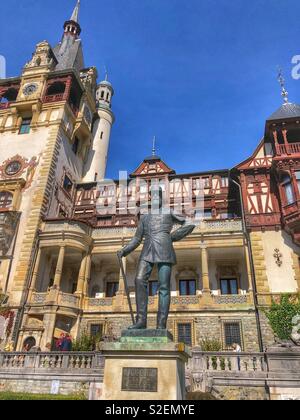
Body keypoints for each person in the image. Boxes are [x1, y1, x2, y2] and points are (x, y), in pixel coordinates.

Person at [118, 186, 195, 330]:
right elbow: (136, 239)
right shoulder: (145, 217)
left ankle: (161, 324)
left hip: (165, 250)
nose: (154, 198)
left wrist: (172, 237)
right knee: (139, 280)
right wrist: (124, 250)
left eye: (157, 196)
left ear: (161, 198)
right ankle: (141, 321)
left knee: (164, 287)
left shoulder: (169, 212)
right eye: (152, 196)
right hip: (147, 251)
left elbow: (190, 223)